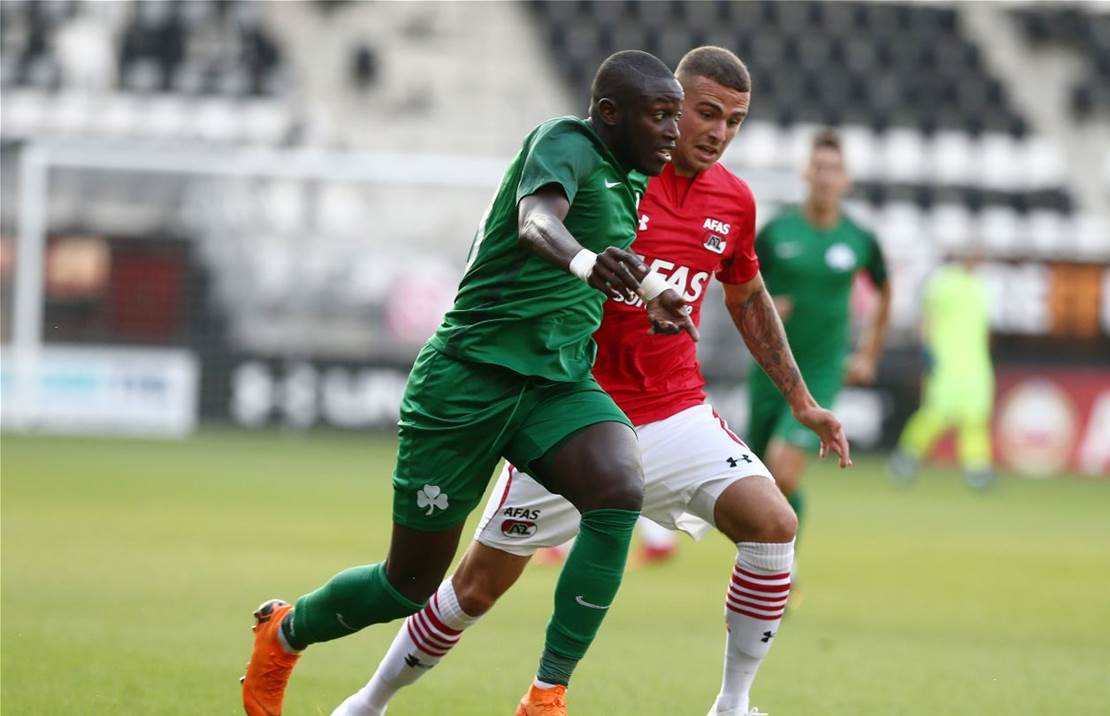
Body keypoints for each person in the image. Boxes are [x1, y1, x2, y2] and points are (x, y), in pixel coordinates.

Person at [332, 46, 851, 716]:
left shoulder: (734, 201)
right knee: (475, 588)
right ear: (667, 107)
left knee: (774, 525)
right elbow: (532, 232)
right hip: (572, 417)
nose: (718, 132)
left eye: (735, 121)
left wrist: (802, 401)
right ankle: (369, 701)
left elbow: (747, 296)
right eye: (705, 113)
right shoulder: (606, 176)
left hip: (675, 411)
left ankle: (732, 703)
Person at [240, 50, 699, 716]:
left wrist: (652, 291)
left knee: (618, 488)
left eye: (675, 116)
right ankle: (284, 633)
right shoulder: (564, 142)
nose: (673, 131)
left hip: (554, 384)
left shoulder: (629, 179)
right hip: (467, 380)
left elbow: (603, 258)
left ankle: (547, 694)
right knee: (408, 585)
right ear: (609, 113)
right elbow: (537, 223)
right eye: (660, 115)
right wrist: (583, 262)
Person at [746, 129, 891, 547]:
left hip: (822, 372)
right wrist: (766, 303)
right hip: (769, 371)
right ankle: (774, 565)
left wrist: (868, 354)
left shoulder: (859, 239)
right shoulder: (777, 232)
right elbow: (741, 285)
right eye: (820, 168)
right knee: (762, 480)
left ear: (847, 180)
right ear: (806, 173)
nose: (826, 177)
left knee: (783, 471)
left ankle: (782, 564)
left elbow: (884, 290)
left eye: (835, 170)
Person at [890, 251, 995, 489]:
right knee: (935, 414)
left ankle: (977, 469)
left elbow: (984, 327)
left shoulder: (981, 286)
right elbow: (925, 318)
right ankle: (906, 457)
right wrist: (926, 349)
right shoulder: (943, 281)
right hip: (946, 362)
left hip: (976, 365)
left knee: (975, 417)